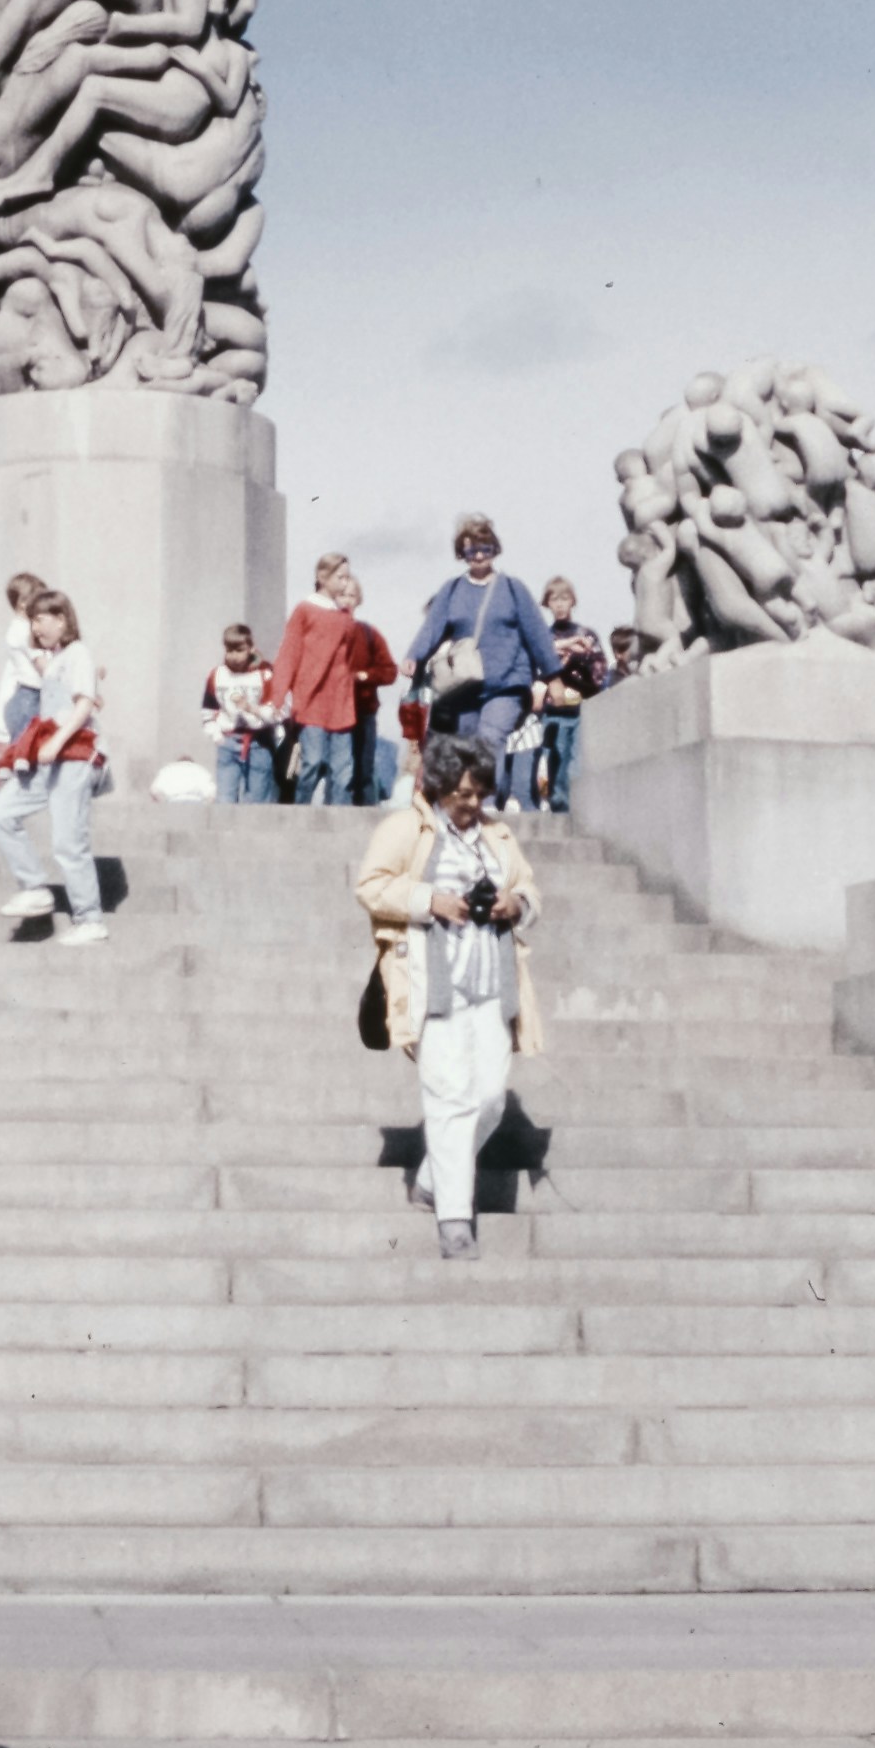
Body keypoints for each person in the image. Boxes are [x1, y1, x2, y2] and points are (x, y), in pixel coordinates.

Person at [355, 738, 541, 1260]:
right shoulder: (404, 828)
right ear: (438, 786)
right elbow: (370, 887)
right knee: (448, 1097)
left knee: (490, 1098)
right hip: (431, 983)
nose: (471, 803)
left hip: (491, 984)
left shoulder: (497, 835)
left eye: (480, 793)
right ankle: (455, 1221)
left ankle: (436, 1176)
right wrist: (428, 900)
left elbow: (531, 893)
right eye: (462, 792)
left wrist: (514, 903)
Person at [403, 517, 559, 813]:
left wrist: (553, 676)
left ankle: (485, 804)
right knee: (469, 747)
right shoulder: (452, 590)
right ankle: (472, 804)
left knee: (489, 738)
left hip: (507, 683)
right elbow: (432, 628)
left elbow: (537, 633)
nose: (478, 555)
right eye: (470, 550)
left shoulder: (513, 589)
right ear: (461, 553)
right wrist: (414, 656)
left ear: (494, 549)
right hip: (466, 687)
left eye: (484, 548)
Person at [0, 588, 106, 944]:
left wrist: (56, 740)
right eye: (32, 620)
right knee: (0, 814)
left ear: (61, 618)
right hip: (49, 757)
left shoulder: (78, 652)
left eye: (40, 619)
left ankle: (90, 919)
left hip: (75, 754)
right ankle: (34, 887)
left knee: (69, 840)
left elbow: (84, 705)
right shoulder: (58, 659)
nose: (35, 627)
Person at [271, 555, 399, 805]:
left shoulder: (346, 620)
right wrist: (278, 695)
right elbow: (290, 652)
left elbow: (351, 661)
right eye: (340, 577)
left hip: (342, 704)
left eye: (347, 577)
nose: (345, 583)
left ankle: (337, 814)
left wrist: (361, 679)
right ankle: (301, 812)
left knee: (343, 770)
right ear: (322, 578)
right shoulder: (305, 610)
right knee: (312, 762)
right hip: (312, 702)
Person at [531, 577, 604, 814]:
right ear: (547, 604)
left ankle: (580, 812)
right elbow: (538, 665)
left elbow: (599, 672)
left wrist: (577, 655)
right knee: (557, 763)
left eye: (564, 598)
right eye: (554, 599)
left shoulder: (587, 633)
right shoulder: (543, 636)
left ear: (572, 601)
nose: (560, 604)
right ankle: (560, 812)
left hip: (583, 709)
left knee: (577, 764)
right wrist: (568, 649)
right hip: (554, 712)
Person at [202, 621, 284, 803]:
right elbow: (208, 710)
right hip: (228, 741)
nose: (234, 656)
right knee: (225, 797)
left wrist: (252, 709)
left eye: (239, 650)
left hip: (259, 741)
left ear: (250, 649)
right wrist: (216, 734)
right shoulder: (216, 675)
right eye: (229, 650)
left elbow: (277, 709)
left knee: (257, 796)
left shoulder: (265, 674)